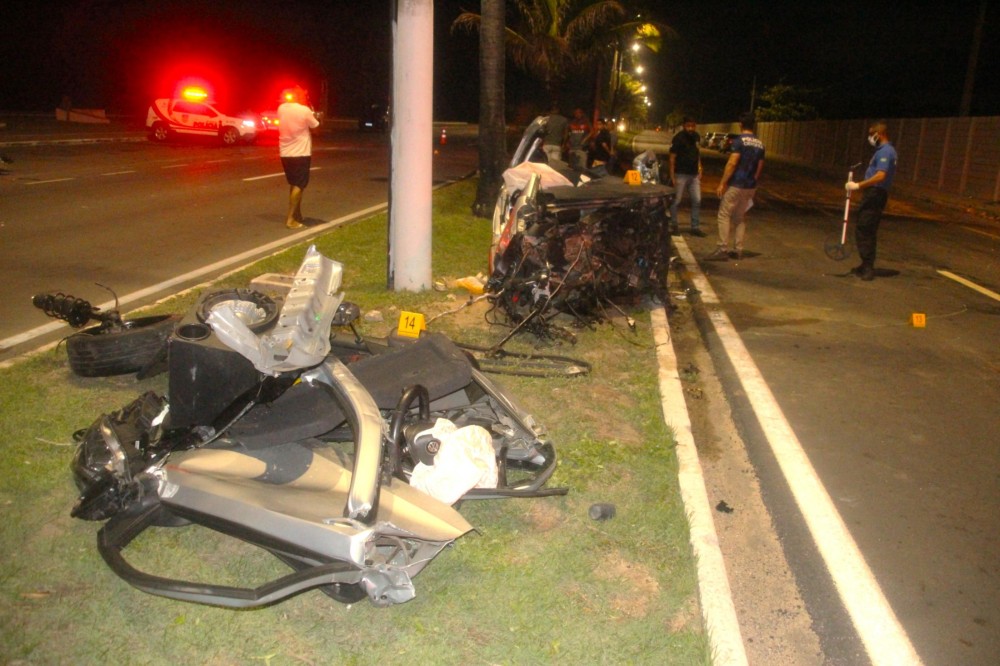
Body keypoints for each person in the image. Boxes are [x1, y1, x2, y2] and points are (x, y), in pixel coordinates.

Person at [705, 112, 765, 261]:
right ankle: (738, 249)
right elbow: (759, 167)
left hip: (736, 184)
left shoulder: (739, 141)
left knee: (724, 214)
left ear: (741, 125)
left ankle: (722, 248)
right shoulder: (760, 144)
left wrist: (723, 183)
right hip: (750, 186)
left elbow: (732, 163)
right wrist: (753, 182)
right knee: (740, 217)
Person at [845, 121, 897, 281]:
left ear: (879, 134)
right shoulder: (883, 150)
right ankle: (865, 263)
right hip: (874, 193)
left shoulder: (885, 152)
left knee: (865, 228)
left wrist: (858, 185)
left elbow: (881, 175)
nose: (870, 138)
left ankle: (868, 267)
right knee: (866, 228)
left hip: (875, 194)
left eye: (871, 134)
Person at [277, 86, 320, 230]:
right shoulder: (304, 111)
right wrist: (316, 115)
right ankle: (290, 219)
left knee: (294, 184)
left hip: (285, 152)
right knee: (300, 185)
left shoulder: (281, 108)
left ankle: (297, 214)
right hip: (301, 153)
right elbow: (316, 126)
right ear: (300, 96)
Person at [668, 117, 705, 236]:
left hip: (694, 175)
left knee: (697, 200)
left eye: (693, 126)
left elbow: (697, 153)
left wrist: (700, 167)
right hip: (681, 174)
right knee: (676, 201)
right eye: (688, 125)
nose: (691, 128)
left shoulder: (697, 137)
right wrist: (672, 175)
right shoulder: (678, 138)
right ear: (684, 125)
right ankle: (674, 225)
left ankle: (695, 227)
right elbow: (672, 157)